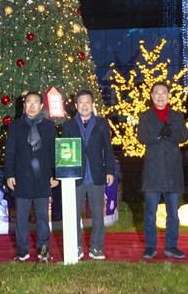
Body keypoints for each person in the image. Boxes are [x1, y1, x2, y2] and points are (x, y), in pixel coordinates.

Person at [138, 82, 188, 260]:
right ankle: (150, 246)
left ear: (169, 95)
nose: (160, 96)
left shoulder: (176, 116)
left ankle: (171, 246)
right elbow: (141, 137)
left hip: (173, 172)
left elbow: (184, 135)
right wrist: (159, 135)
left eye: (164, 93)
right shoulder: (145, 116)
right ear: (151, 96)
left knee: (173, 214)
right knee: (150, 213)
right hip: (153, 172)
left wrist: (171, 133)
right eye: (156, 93)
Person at [62, 90, 115, 260]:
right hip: (74, 176)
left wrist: (110, 171)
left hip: (96, 175)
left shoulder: (102, 123)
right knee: (73, 214)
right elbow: (65, 151)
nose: (84, 106)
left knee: (98, 215)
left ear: (92, 105)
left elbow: (108, 148)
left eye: (87, 103)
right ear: (76, 106)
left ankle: (96, 248)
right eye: (81, 103)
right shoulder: (68, 126)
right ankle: (75, 247)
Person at [5, 91, 58, 262]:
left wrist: (55, 174)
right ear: (24, 106)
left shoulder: (49, 126)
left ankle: (43, 251)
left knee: (43, 218)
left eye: (36, 102)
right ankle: (22, 251)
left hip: (43, 179)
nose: (32, 106)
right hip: (21, 178)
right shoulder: (15, 126)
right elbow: (10, 152)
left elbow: (54, 153)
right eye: (29, 102)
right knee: (21, 218)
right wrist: (9, 174)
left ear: (42, 106)